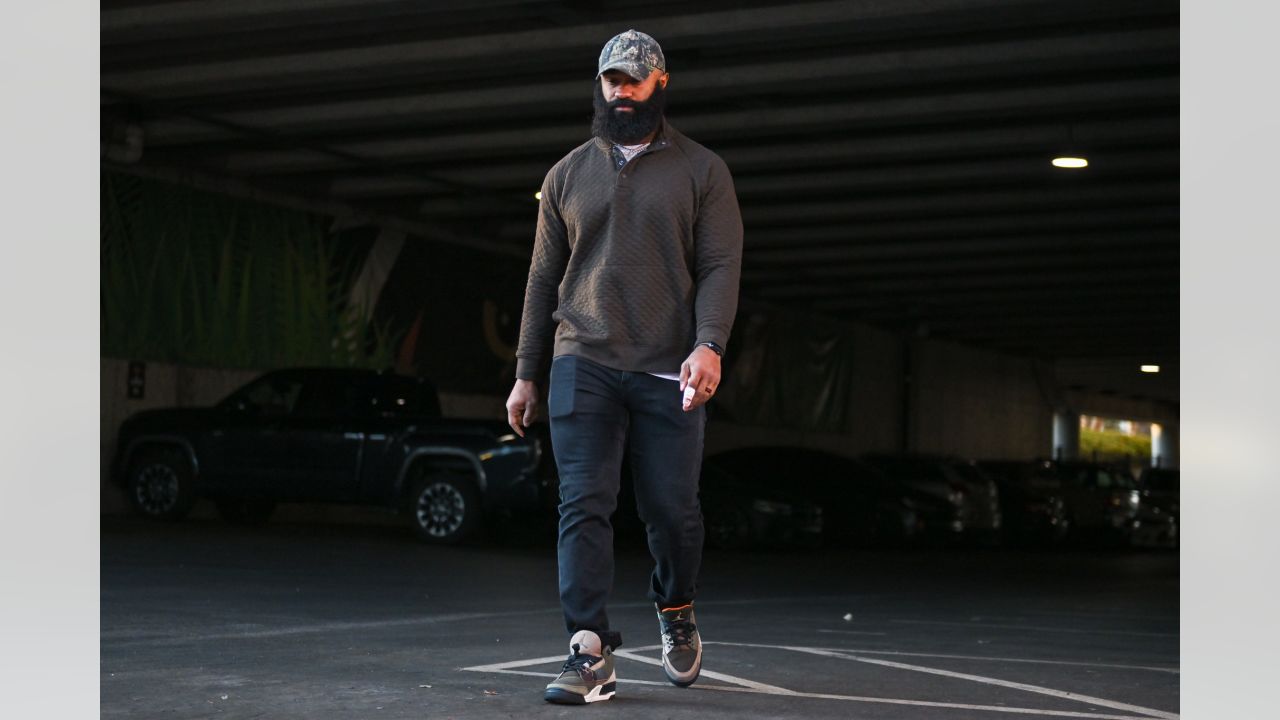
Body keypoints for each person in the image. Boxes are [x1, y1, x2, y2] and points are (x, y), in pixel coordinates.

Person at [504, 28, 743, 705]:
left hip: (671, 363)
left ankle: (676, 610)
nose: (624, 91)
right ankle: (587, 647)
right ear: (601, 85)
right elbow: (543, 276)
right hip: (584, 356)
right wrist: (527, 370)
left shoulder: (702, 172)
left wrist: (710, 345)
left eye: (636, 80)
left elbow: (721, 265)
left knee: (671, 510)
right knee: (583, 500)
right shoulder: (565, 176)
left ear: (660, 85)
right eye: (614, 80)